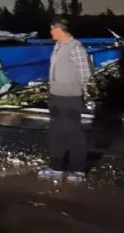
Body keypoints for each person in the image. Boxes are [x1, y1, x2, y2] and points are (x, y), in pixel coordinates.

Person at [38, 17, 93, 182]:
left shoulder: (75, 48)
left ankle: (79, 170)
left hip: (71, 97)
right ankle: (56, 167)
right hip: (56, 96)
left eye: (51, 29)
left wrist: (87, 95)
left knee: (73, 133)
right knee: (56, 133)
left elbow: (85, 74)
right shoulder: (58, 46)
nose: (50, 32)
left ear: (58, 29)